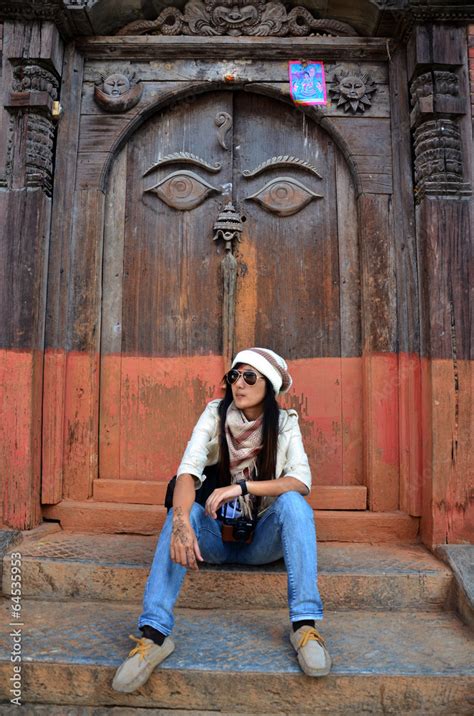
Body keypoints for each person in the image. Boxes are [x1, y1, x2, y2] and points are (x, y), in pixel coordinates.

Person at [112, 347, 331, 693]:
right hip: (212, 541)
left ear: (269, 386)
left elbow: (300, 481)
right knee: (182, 511)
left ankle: (304, 627)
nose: (238, 384)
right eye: (233, 376)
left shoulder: (285, 424)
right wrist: (182, 523)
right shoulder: (214, 414)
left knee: (294, 505)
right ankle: (153, 636)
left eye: (249, 377)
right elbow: (187, 472)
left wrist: (241, 487)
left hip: (261, 542)